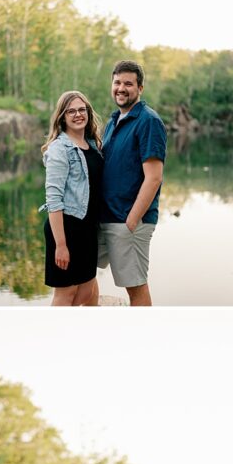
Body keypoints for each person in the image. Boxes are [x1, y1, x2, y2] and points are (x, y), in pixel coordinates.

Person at [97, 61, 167, 307]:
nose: (121, 88)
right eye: (117, 82)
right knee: (82, 276)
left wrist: (133, 219)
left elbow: (154, 177)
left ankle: (143, 337)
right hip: (106, 216)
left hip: (129, 220)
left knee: (135, 287)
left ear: (140, 88)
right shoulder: (115, 119)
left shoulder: (148, 121)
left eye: (128, 83)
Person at [40, 91, 103, 306]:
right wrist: (61, 245)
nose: (78, 114)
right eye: (71, 111)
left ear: (88, 113)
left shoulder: (92, 145)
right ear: (62, 117)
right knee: (66, 294)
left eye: (82, 109)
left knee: (87, 290)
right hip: (66, 229)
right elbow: (54, 199)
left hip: (87, 228)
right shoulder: (59, 149)